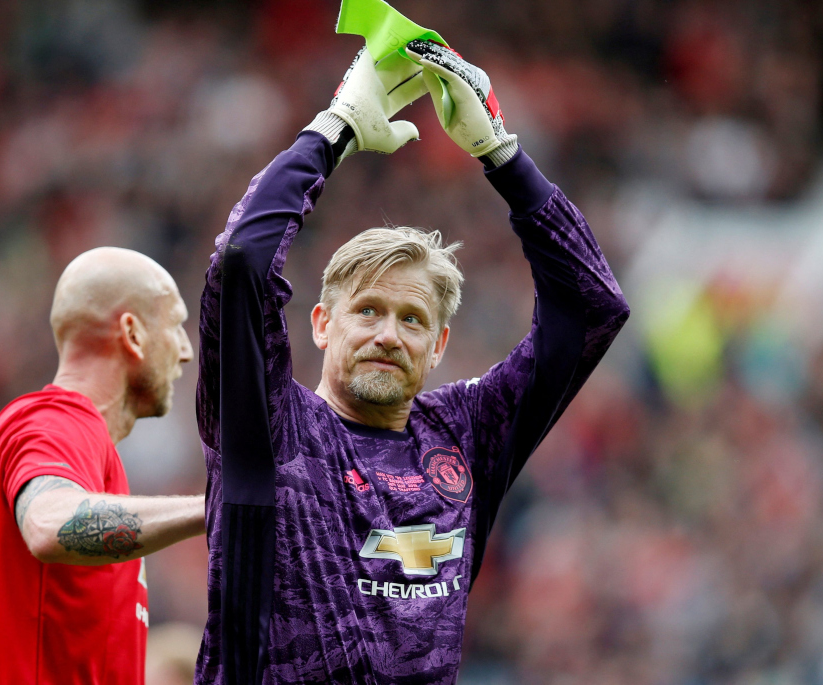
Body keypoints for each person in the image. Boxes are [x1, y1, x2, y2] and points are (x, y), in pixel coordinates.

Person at [195, 41, 629, 684]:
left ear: (439, 346)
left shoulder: (467, 435)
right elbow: (242, 262)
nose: (389, 335)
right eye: (367, 310)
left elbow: (592, 306)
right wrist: (334, 127)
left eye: (413, 319)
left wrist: (502, 155)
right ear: (320, 325)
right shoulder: (269, 425)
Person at [0, 247, 206, 684]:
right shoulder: (56, 420)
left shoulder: (80, 448)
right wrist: (215, 507)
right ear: (133, 334)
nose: (185, 351)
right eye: (175, 325)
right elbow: (49, 524)